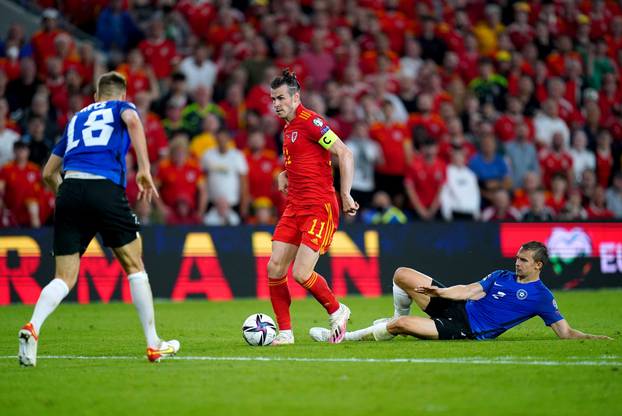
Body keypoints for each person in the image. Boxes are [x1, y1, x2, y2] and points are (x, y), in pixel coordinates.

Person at [18, 72, 179, 367]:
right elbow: (133, 122)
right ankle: (154, 344)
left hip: (70, 190)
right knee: (134, 265)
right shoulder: (121, 108)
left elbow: (47, 174)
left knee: (63, 278)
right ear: (122, 95)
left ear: (96, 96)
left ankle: (33, 326)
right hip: (104, 187)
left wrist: (69, 198)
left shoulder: (76, 118)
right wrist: (144, 168)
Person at [310, 241, 612, 342]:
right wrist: (438, 293)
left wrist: (595, 339)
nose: (516, 263)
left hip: (466, 328)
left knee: (400, 326)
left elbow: (565, 332)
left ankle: (343, 337)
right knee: (402, 274)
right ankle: (392, 317)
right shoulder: (501, 275)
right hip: (457, 307)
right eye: (517, 257)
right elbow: (468, 290)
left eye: (523, 260)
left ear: (538, 266)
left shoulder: (542, 297)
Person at [267, 69, 359, 345]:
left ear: (296, 97)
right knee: (274, 268)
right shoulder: (288, 127)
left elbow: (344, 152)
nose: (276, 104)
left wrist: (345, 193)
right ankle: (285, 333)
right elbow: (304, 160)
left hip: (319, 207)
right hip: (295, 206)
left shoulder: (311, 121)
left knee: (301, 273)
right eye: (273, 99)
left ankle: (337, 310)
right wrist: (285, 173)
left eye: (281, 98)